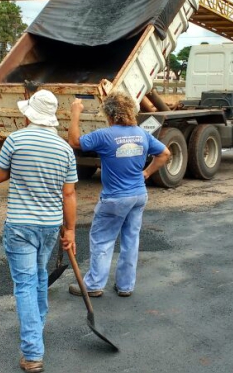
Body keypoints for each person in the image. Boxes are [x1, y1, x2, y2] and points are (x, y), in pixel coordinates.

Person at [0, 89, 78, 373]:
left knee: (26, 284)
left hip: (20, 225)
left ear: (29, 114)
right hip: (50, 225)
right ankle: (37, 327)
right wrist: (72, 231)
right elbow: (69, 195)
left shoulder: (15, 140)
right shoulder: (65, 148)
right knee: (39, 276)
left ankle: (32, 353)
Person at [67, 92, 171, 298]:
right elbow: (165, 153)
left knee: (102, 240)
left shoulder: (105, 135)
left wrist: (75, 113)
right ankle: (125, 286)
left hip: (115, 198)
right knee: (130, 240)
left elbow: (74, 141)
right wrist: (147, 172)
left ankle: (94, 284)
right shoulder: (141, 134)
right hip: (138, 195)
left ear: (110, 113)